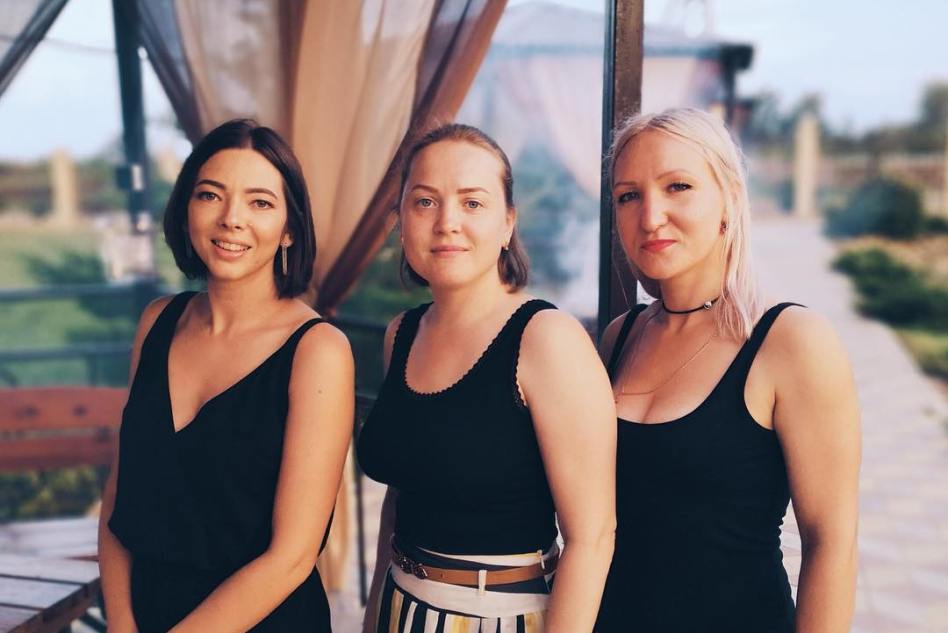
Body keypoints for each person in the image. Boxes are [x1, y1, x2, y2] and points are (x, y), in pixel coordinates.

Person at [596, 108, 860, 632]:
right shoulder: (619, 337)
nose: (650, 216)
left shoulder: (790, 341)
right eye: (629, 196)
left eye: (678, 186)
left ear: (728, 201)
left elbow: (832, 542)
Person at [357, 124, 616, 633]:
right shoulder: (401, 333)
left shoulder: (546, 338)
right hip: (399, 604)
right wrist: (373, 616)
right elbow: (401, 495)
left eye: (472, 203)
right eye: (425, 202)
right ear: (401, 221)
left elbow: (593, 538)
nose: (447, 222)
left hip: (498, 617)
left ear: (507, 224)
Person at [98, 119, 353, 632]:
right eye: (211, 195)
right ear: (186, 209)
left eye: (260, 202)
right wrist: (121, 624)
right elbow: (121, 499)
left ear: (289, 228)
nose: (232, 218)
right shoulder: (157, 322)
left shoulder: (318, 350)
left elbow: (291, 557)